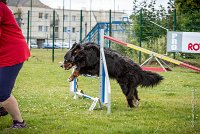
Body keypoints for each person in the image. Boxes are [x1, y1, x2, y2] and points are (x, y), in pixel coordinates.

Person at [0, 0, 30, 128]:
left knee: (2, 93)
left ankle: (19, 122)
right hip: (4, 52)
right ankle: (2, 107)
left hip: (12, 53)